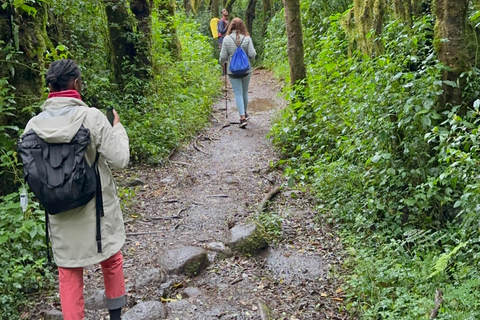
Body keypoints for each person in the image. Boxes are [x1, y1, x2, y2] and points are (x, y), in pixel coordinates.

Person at [23, 59, 130, 320]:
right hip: (96, 213)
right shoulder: (91, 117)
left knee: (69, 274)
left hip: (58, 213)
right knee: (111, 259)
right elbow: (120, 160)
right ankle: (115, 316)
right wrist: (117, 128)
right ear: (76, 84)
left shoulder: (32, 126)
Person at [219, 18, 256, 128]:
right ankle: (244, 112)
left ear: (231, 26)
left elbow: (222, 57)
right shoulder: (247, 38)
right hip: (246, 70)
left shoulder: (226, 39)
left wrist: (222, 63)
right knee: (244, 92)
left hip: (232, 71)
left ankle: (242, 117)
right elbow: (253, 55)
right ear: (242, 26)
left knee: (238, 93)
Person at [217, 8, 230, 75]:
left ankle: (227, 71)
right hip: (222, 40)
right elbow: (221, 31)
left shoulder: (227, 21)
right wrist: (227, 26)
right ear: (222, 13)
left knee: (227, 55)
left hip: (226, 39)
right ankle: (224, 72)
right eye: (224, 11)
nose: (226, 11)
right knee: (223, 55)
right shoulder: (221, 21)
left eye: (226, 10)